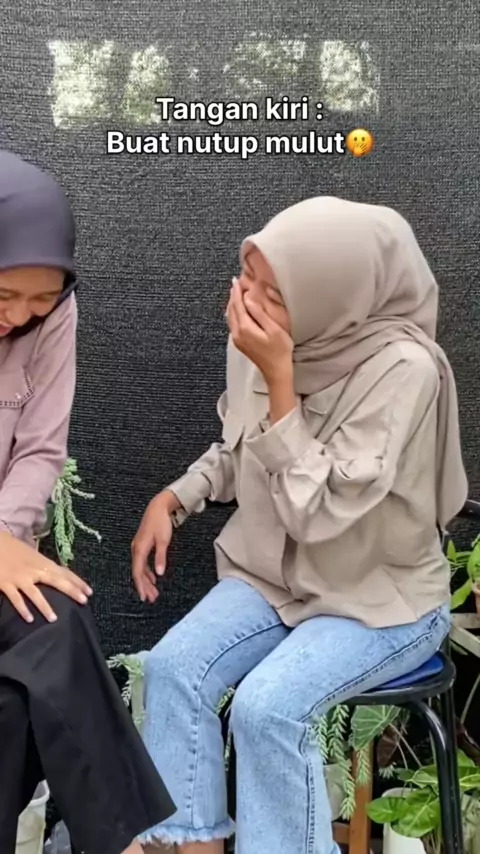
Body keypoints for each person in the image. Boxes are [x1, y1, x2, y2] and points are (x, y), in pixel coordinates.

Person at [131, 196, 468, 854]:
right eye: (246, 278)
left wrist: (279, 380)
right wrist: (175, 498)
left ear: (329, 295)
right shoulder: (265, 342)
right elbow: (241, 448)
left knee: (267, 708)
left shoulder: (405, 371)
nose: (247, 303)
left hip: (380, 600)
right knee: (172, 669)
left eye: (273, 293)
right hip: (275, 582)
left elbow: (323, 511)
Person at [0, 150, 175, 854]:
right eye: (4, 295)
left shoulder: (54, 315)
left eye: (40, 299)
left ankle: (114, 845)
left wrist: (4, 540)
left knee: (25, 679)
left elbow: (41, 451)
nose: (20, 316)